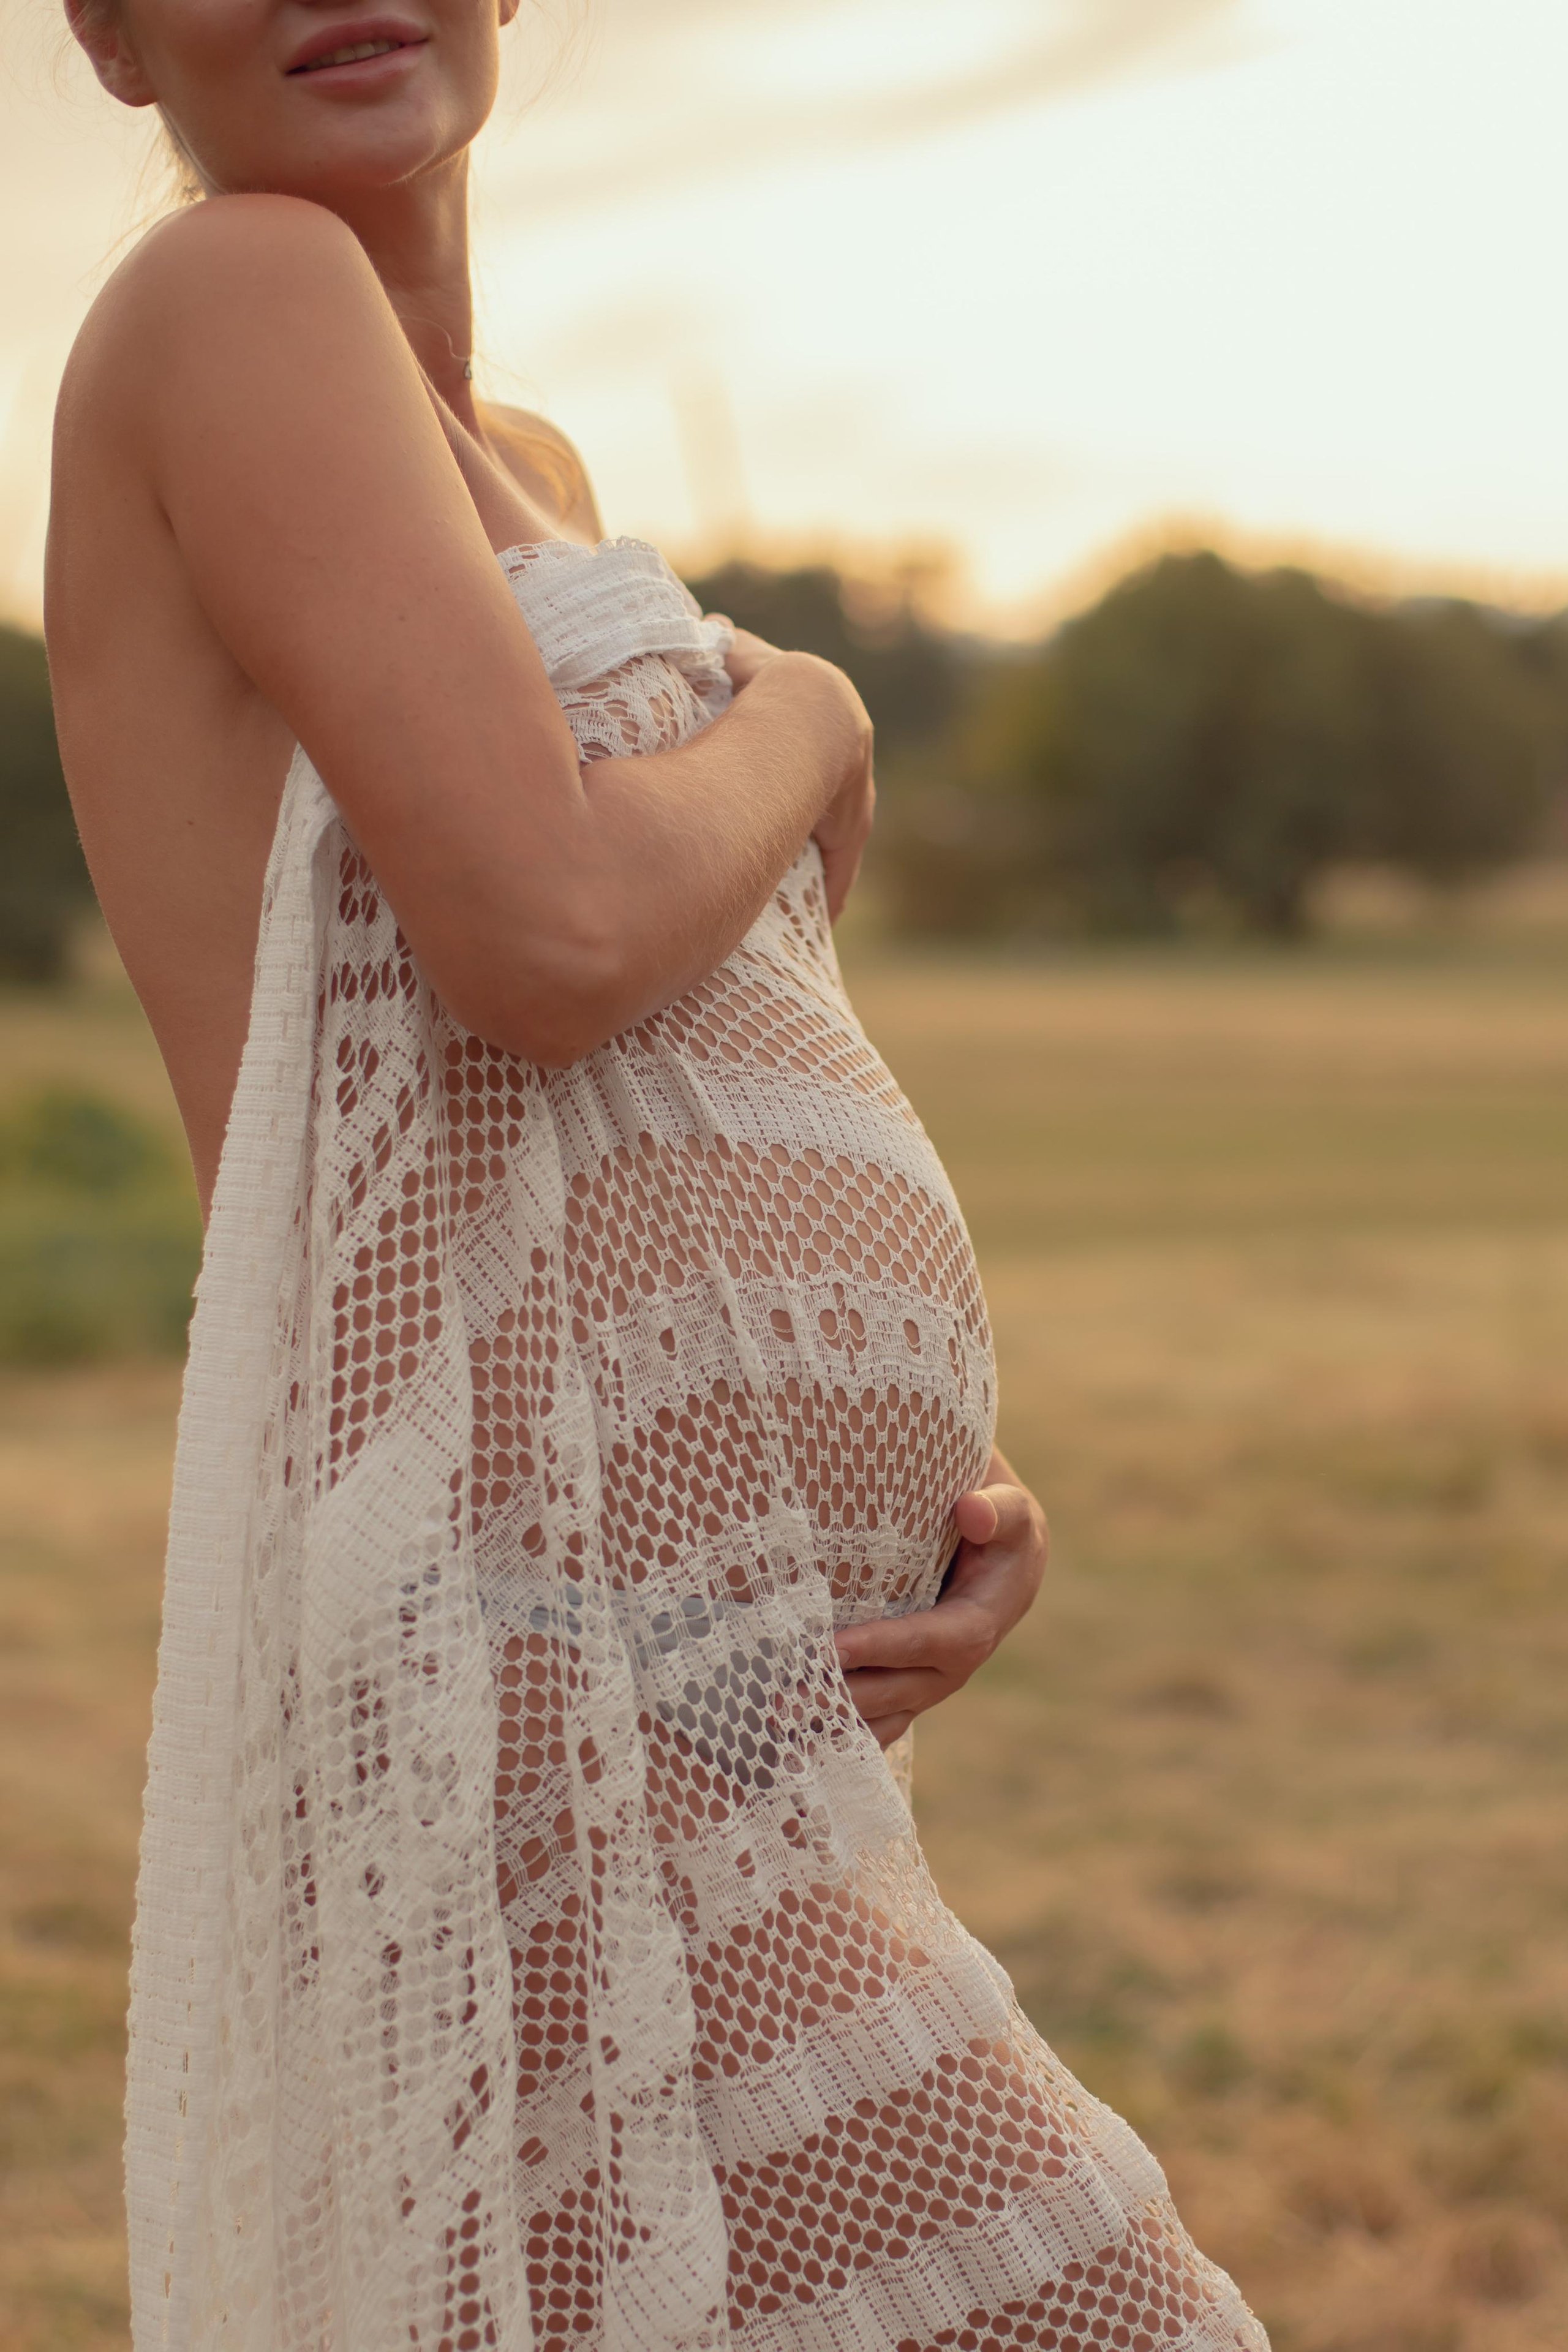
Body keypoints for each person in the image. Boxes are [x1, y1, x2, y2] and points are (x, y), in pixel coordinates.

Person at [46, 4, 1267, 2348]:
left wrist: (913, 1472)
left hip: (691, 1655)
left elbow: (653, 1089)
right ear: (108, 39)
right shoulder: (233, 299)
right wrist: (807, 714)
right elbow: (558, 931)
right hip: (522, 1635)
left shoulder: (528, 458)